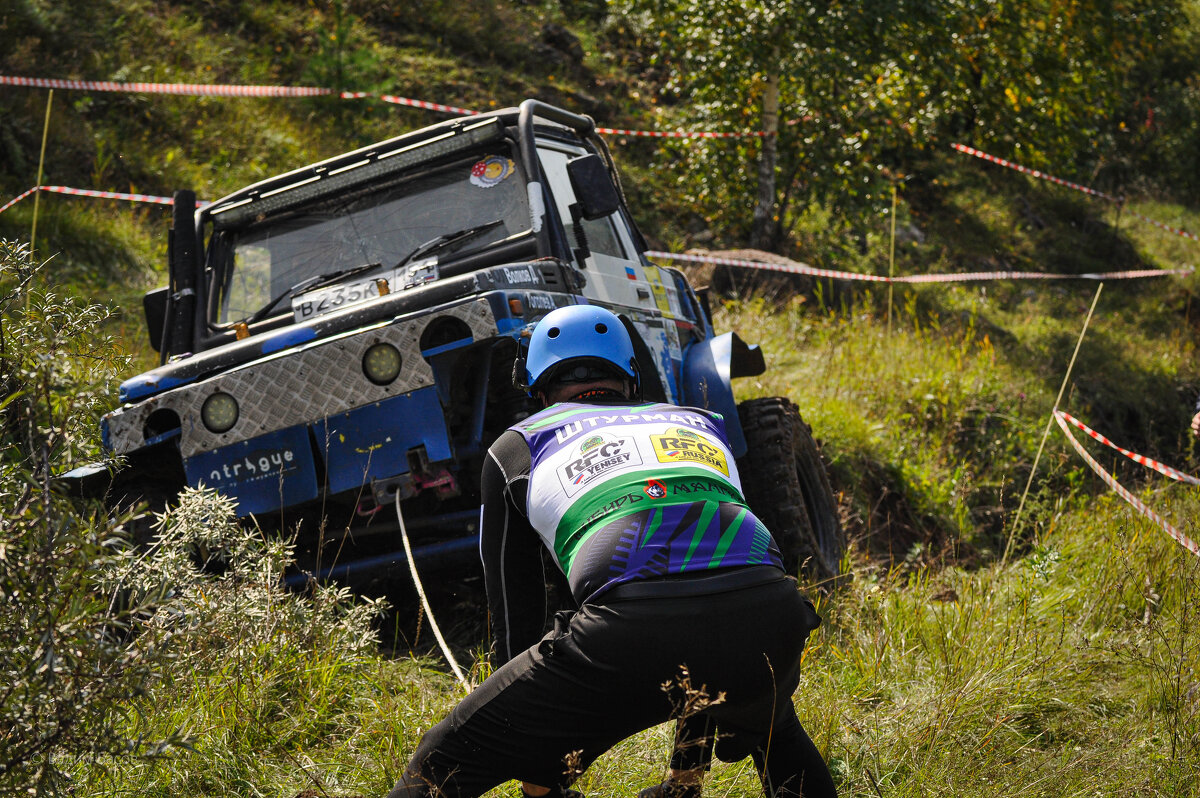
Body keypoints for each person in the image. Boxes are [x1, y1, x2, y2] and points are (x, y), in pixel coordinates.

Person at [386, 305, 836, 798]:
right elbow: (711, 594)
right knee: (774, 727)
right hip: (773, 614)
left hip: (629, 632)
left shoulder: (518, 446)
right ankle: (686, 786)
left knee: (442, 759)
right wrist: (686, 777)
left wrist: (528, 747)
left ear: (537, 391)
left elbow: (516, 606)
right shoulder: (700, 423)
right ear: (630, 378)